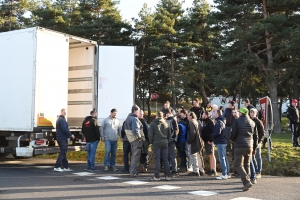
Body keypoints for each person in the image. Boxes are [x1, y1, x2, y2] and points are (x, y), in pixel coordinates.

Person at [230, 107, 258, 191]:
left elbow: (233, 132)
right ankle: (248, 181)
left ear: (241, 113)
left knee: (238, 164)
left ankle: (246, 182)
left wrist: (231, 139)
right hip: (249, 145)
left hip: (239, 145)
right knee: (247, 164)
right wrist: (254, 148)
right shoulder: (252, 122)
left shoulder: (237, 121)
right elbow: (256, 136)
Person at [149, 111, 171, 181]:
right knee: (165, 159)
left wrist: (151, 142)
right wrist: (167, 140)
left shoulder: (153, 124)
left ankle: (157, 176)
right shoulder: (166, 123)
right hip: (165, 143)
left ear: (156, 116)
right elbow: (169, 134)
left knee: (157, 160)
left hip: (156, 143)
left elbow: (150, 135)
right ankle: (167, 176)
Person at [124, 105, 145, 177]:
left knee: (133, 155)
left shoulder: (128, 118)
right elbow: (135, 130)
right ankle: (133, 172)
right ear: (135, 111)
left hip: (131, 139)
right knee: (136, 156)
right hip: (136, 140)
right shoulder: (134, 119)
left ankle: (132, 170)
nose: (139, 112)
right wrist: (139, 137)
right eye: (138, 111)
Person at [211, 110, 230, 180]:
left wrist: (211, 136)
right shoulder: (221, 121)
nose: (214, 114)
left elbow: (217, 132)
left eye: (215, 113)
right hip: (223, 141)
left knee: (222, 158)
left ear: (218, 114)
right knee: (224, 158)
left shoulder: (219, 122)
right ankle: (227, 173)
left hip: (220, 142)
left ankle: (224, 174)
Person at [186, 112, 205, 176]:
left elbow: (192, 133)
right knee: (199, 156)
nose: (187, 117)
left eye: (188, 115)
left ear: (191, 116)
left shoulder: (191, 122)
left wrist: (189, 140)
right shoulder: (196, 122)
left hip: (194, 141)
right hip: (199, 141)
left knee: (194, 155)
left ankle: (196, 171)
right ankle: (201, 169)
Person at [250, 108, 265, 181]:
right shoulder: (249, 121)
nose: (252, 114)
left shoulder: (259, 122)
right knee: (252, 157)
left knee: (258, 156)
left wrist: (259, 141)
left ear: (256, 113)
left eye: (253, 113)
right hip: (250, 142)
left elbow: (262, 133)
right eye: (251, 113)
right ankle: (255, 170)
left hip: (257, 141)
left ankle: (259, 171)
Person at [201, 111, 217, 176]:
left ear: (207, 115)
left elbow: (213, 132)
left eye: (203, 114)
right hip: (206, 141)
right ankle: (211, 169)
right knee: (209, 155)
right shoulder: (205, 122)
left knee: (211, 155)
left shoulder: (210, 122)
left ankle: (213, 170)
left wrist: (210, 140)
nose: (202, 116)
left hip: (209, 141)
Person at [165, 108, 179, 177]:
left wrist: (172, 138)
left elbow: (176, 130)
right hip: (167, 140)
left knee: (172, 156)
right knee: (168, 156)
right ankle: (169, 169)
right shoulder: (166, 120)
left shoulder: (173, 120)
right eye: (166, 113)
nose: (167, 114)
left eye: (168, 113)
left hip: (171, 140)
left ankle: (175, 170)